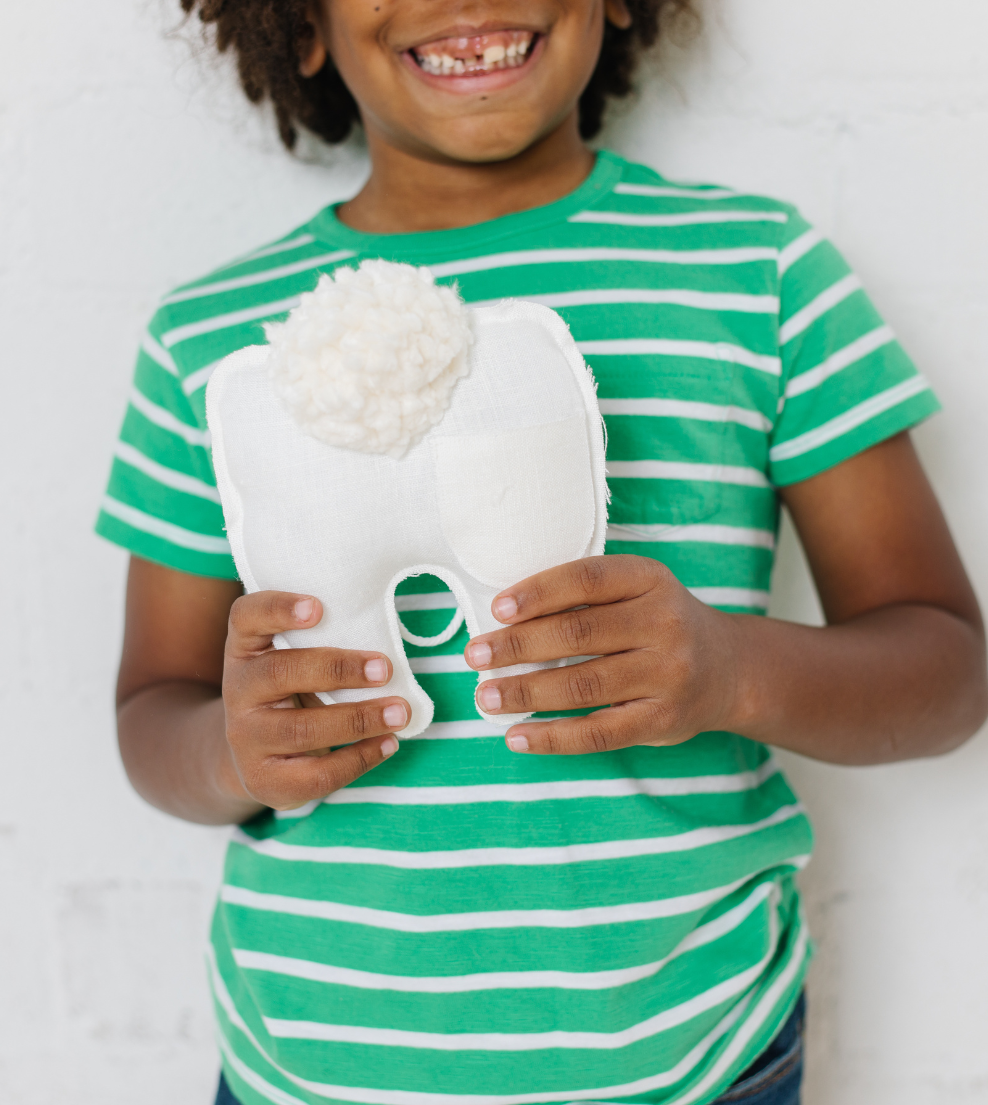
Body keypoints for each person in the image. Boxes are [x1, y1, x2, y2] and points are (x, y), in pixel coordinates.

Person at [96, 2, 988, 1103]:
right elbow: (154, 710)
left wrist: (730, 670)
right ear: (303, 25)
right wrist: (232, 755)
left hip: (693, 1057)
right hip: (315, 1062)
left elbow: (944, 671)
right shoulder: (214, 341)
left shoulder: (755, 271)